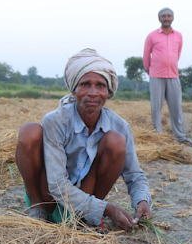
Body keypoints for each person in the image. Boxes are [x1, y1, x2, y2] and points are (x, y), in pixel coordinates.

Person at [15, 48, 152, 232]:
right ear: (74, 90)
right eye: (85, 84)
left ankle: (84, 220)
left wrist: (142, 200)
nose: (93, 92)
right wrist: (106, 210)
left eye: (100, 86)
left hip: (86, 202)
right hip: (49, 197)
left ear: (109, 92)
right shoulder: (56, 121)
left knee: (116, 141)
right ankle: (36, 208)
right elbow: (56, 184)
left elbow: (134, 174)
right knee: (29, 131)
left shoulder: (119, 126)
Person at [143, 7, 191, 145]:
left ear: (172, 18)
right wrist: (150, 71)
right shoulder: (152, 36)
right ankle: (158, 136)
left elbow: (177, 54)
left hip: (173, 75)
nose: (166, 18)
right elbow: (146, 56)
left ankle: (180, 136)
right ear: (159, 19)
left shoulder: (178, 36)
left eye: (169, 16)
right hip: (156, 75)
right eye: (163, 16)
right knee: (156, 108)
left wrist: (171, 65)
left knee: (176, 107)